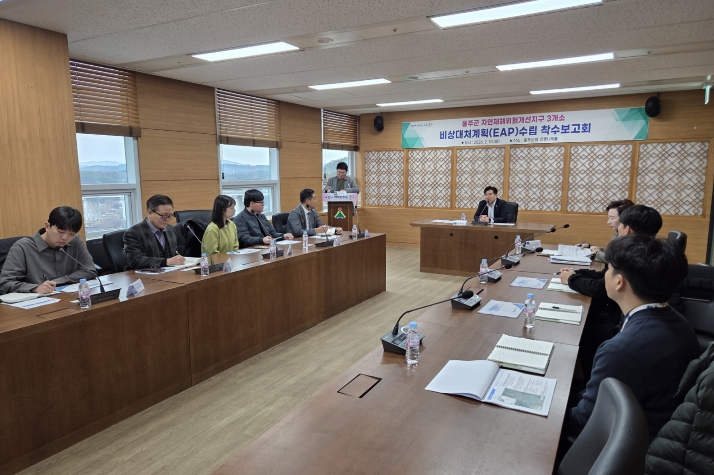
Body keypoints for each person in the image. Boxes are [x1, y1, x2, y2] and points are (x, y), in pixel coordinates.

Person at [566, 234, 699, 439]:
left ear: (619, 282)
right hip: (655, 424)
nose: (605, 275)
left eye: (608, 269)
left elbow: (583, 422)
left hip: (625, 443)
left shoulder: (621, 350)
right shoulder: (677, 320)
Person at [561, 204, 664, 377]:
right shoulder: (652, 251)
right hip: (637, 320)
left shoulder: (630, 256)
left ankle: (581, 378)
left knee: (580, 330)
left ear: (626, 228)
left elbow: (601, 288)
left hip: (624, 323)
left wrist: (572, 279)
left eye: (617, 222)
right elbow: (604, 278)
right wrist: (577, 273)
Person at [0, 207, 96, 294]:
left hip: (68, 297)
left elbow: (89, 270)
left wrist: (58, 282)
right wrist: (35, 288)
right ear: (47, 226)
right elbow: (4, 283)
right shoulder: (22, 247)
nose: (65, 238)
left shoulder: (75, 241)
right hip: (37, 302)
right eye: (61, 232)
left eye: (72, 234)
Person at [124, 195, 185, 270]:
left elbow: (173, 253)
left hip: (169, 272)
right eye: (163, 215)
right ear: (150, 213)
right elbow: (136, 260)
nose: (167, 219)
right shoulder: (133, 233)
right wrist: (166, 261)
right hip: (144, 275)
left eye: (169, 216)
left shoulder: (170, 229)